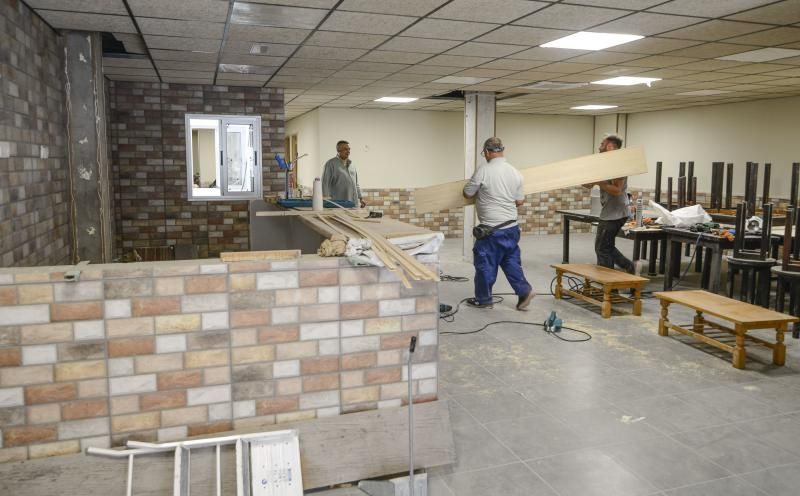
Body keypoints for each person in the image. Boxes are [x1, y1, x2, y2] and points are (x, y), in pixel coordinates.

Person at [462, 137, 534, 310]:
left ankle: (484, 299)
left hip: (491, 230)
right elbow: (519, 201)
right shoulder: (515, 172)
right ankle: (524, 291)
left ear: (487, 152)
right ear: (502, 150)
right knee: (510, 260)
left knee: (485, 263)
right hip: (511, 228)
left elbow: (467, 193)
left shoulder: (484, 170)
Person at [582, 135, 635, 273]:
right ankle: (630, 268)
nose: (599, 146)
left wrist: (599, 181)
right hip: (609, 212)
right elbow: (588, 185)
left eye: (602, 143)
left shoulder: (619, 166)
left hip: (616, 213)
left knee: (602, 249)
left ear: (610, 147)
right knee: (606, 247)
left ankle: (609, 286)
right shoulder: (605, 166)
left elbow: (617, 190)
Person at [322, 140, 366, 208]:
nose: (348, 151)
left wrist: (361, 198)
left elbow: (356, 184)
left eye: (349, 149)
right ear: (338, 150)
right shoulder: (330, 164)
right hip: (338, 205)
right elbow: (325, 184)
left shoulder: (352, 165)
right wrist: (325, 203)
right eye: (345, 149)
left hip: (353, 204)